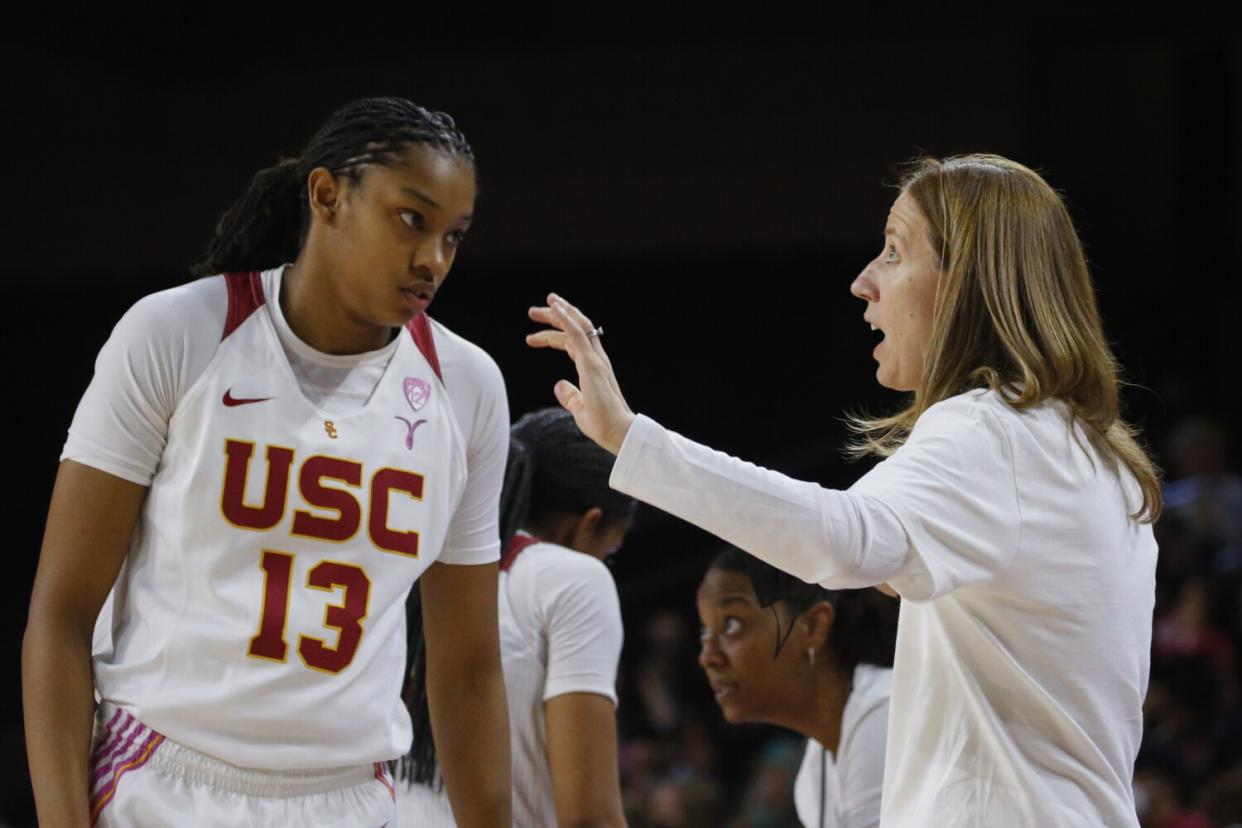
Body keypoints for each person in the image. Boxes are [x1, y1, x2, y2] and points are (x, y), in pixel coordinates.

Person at [528, 153, 1163, 825]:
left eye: (894, 252)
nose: (864, 282)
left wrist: (630, 439)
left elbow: (842, 541)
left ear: (965, 285)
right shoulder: (1094, 454)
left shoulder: (989, 432)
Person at [23, 97, 512, 827]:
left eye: (454, 237)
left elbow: (468, 668)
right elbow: (59, 618)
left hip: (355, 797)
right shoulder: (178, 333)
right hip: (164, 780)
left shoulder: (467, 387)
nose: (432, 259)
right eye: (412, 219)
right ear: (327, 196)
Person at [398, 407, 635, 826]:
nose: (605, 563)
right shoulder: (573, 579)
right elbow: (589, 817)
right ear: (588, 524)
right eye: (610, 552)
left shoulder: (416, 567)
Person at [697, 548, 896, 828]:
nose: (708, 657)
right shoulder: (815, 770)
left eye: (731, 624)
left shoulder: (884, 716)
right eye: (705, 631)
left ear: (813, 626)